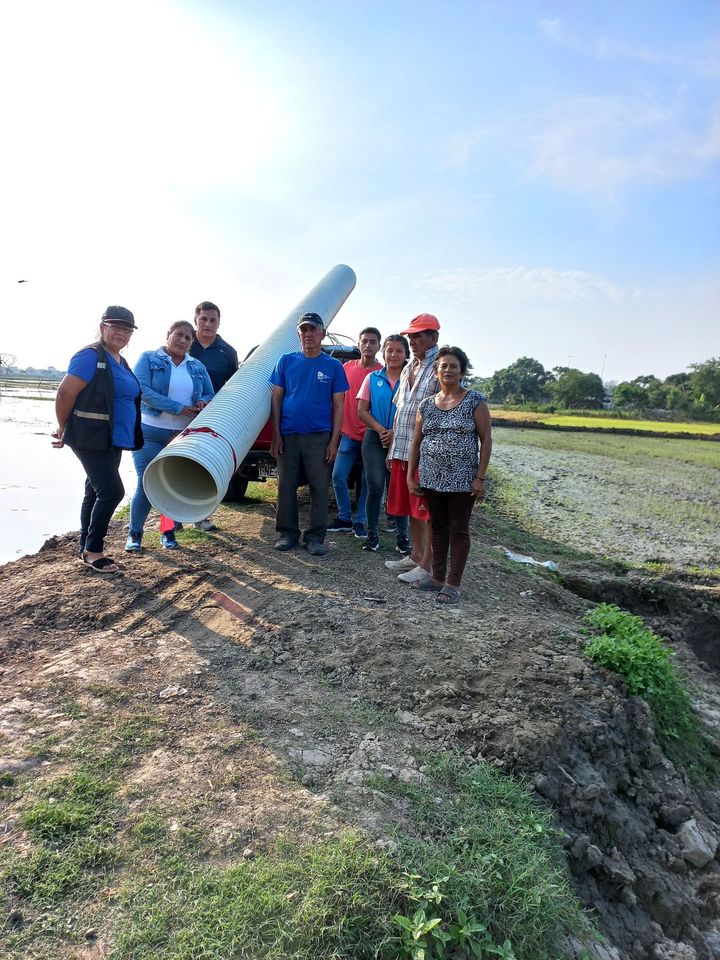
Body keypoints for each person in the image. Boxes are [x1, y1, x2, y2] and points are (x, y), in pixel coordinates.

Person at [53, 306, 142, 573]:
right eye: (115, 327)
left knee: (94, 490)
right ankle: (93, 550)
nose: (121, 333)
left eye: (127, 329)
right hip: (90, 435)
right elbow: (65, 393)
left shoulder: (120, 360)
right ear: (102, 327)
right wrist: (63, 427)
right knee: (112, 491)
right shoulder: (90, 356)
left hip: (112, 437)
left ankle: (86, 547)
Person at [407, 346, 492, 604]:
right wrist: (411, 476)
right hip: (431, 478)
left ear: (462, 371)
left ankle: (453, 583)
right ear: (436, 372)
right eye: (443, 366)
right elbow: (416, 443)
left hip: (463, 480)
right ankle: (436, 577)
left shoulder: (475, 401)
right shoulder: (426, 405)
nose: (448, 370)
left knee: (459, 529)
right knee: (438, 527)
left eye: (453, 366)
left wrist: (480, 478)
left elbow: (486, 440)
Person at [125, 321, 214, 552]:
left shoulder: (196, 366)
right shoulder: (148, 358)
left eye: (188, 338)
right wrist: (177, 408)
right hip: (149, 432)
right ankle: (135, 534)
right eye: (178, 335)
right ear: (168, 335)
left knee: (170, 484)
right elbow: (142, 390)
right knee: (146, 482)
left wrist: (202, 401)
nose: (182, 340)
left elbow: (209, 392)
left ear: (191, 343)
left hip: (182, 437)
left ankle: (167, 532)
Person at [270, 312, 349, 557]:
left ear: (322, 334)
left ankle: (315, 537)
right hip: (288, 434)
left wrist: (334, 441)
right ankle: (288, 534)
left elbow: (339, 406)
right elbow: (276, 398)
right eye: (304, 330)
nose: (308, 334)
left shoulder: (333, 366)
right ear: (298, 334)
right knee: (286, 486)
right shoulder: (286, 361)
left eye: (313, 329)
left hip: (319, 436)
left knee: (318, 487)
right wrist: (276, 434)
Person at [384, 314, 440, 585]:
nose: (413, 341)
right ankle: (417, 555)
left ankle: (429, 565)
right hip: (402, 448)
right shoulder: (409, 367)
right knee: (411, 508)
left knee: (427, 510)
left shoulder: (441, 366)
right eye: (411, 336)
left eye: (418, 336)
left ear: (433, 337)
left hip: (426, 452)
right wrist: (392, 450)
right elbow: (400, 410)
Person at [357, 334, 410, 553]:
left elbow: (416, 411)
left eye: (399, 351)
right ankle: (372, 536)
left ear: (406, 354)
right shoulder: (372, 378)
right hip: (374, 438)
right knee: (375, 486)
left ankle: (403, 537)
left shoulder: (412, 379)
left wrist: (395, 433)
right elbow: (362, 411)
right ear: (383, 352)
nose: (394, 355)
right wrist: (382, 431)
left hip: (402, 439)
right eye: (390, 350)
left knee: (398, 488)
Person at [327, 327, 382, 539]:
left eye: (372, 342)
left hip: (372, 436)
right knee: (338, 476)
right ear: (359, 345)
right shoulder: (346, 368)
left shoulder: (382, 373)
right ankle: (344, 517)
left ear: (379, 346)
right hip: (348, 434)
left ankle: (360, 520)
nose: (368, 345)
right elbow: (336, 400)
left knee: (367, 481)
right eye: (364, 341)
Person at [189, 300, 239, 530]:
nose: (208, 324)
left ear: (219, 323)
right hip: (177, 416)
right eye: (203, 319)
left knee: (203, 467)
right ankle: (170, 525)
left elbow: (233, 387)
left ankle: (201, 517)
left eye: (213, 320)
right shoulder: (183, 343)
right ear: (195, 320)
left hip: (210, 419)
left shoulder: (227, 352)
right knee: (172, 464)